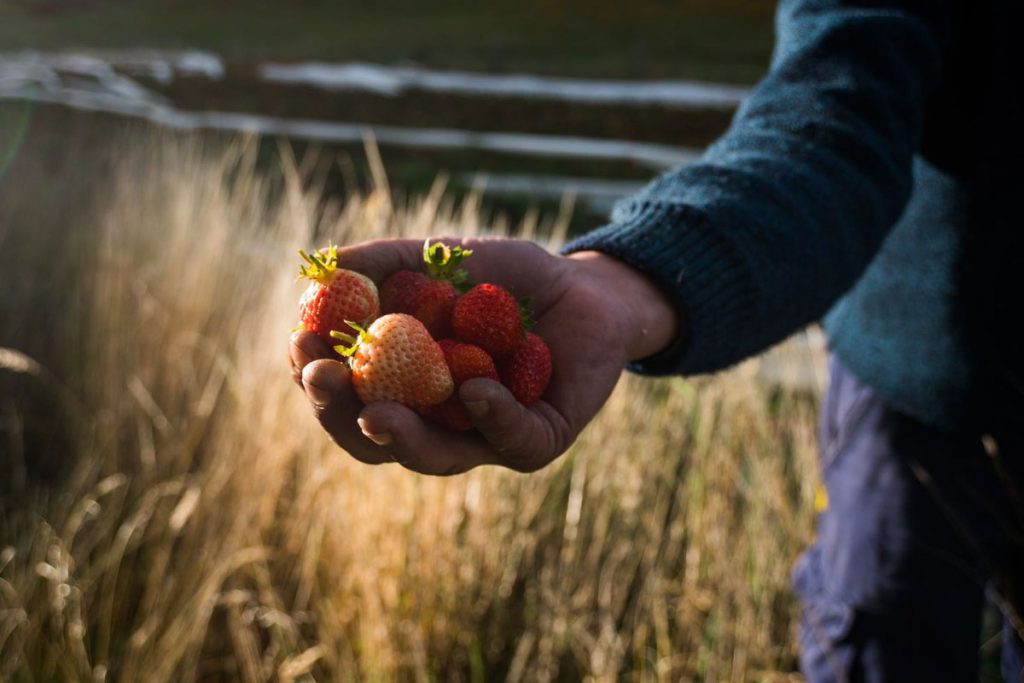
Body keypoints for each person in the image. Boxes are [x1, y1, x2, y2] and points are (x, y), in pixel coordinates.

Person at [289, 0, 1023, 679]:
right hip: (915, 388)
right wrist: (620, 287)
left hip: (916, 378)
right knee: (882, 639)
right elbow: (833, 121)